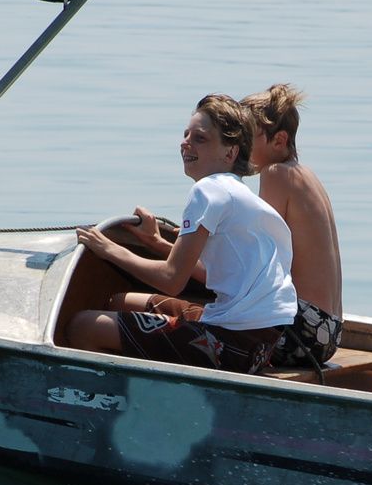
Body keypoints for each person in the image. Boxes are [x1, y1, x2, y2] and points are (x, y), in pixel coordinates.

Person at [66, 95, 297, 375]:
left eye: (200, 138)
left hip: (231, 343)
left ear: (230, 153)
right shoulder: (238, 193)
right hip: (260, 343)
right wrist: (157, 243)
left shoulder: (207, 190)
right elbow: (221, 273)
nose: (185, 143)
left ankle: (124, 403)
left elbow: (171, 280)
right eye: (186, 135)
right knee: (120, 301)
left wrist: (111, 250)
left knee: (81, 326)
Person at [235, 85, 345, 369]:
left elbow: (257, 259)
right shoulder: (305, 175)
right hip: (328, 331)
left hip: (302, 333)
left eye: (247, 136)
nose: (240, 145)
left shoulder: (275, 175)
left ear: (278, 140)